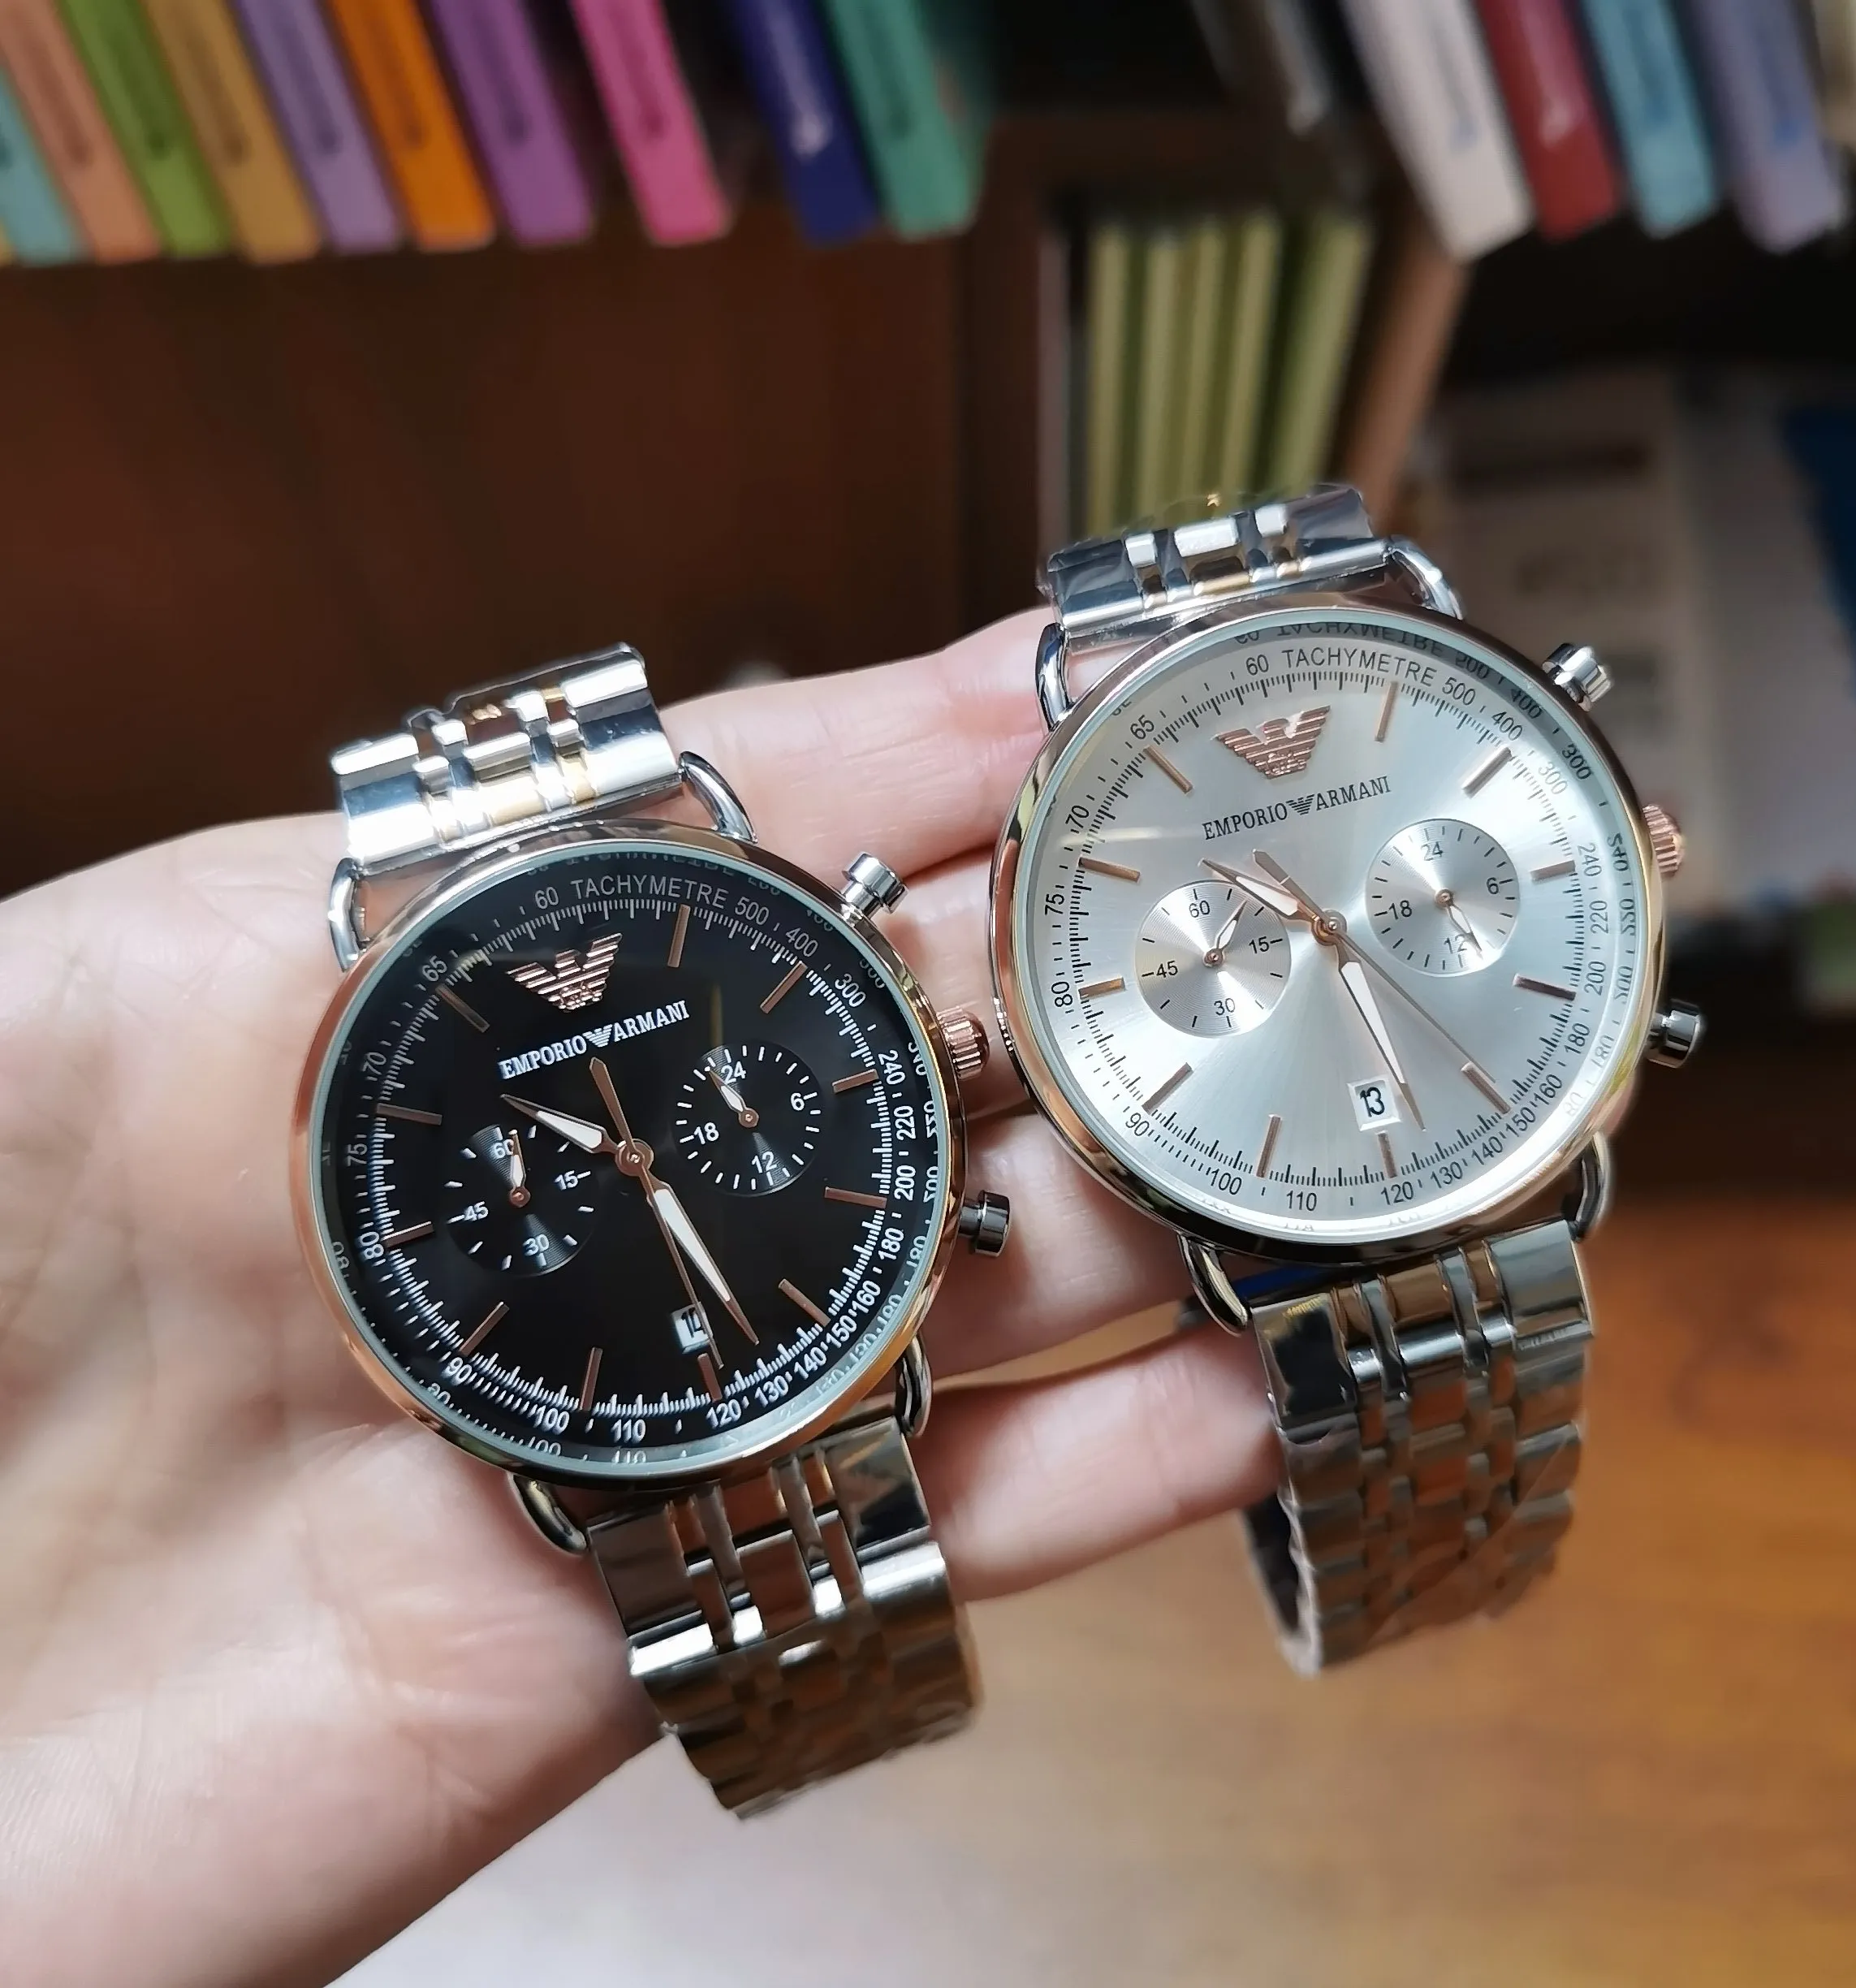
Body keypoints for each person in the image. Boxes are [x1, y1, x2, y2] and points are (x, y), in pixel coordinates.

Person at [0, 612, 1276, 1988]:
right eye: (616, 1152)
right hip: (637, 1421)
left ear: (942, 1050)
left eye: (636, 1145)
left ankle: (840, 1722)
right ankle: (824, 1723)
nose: (634, 1155)